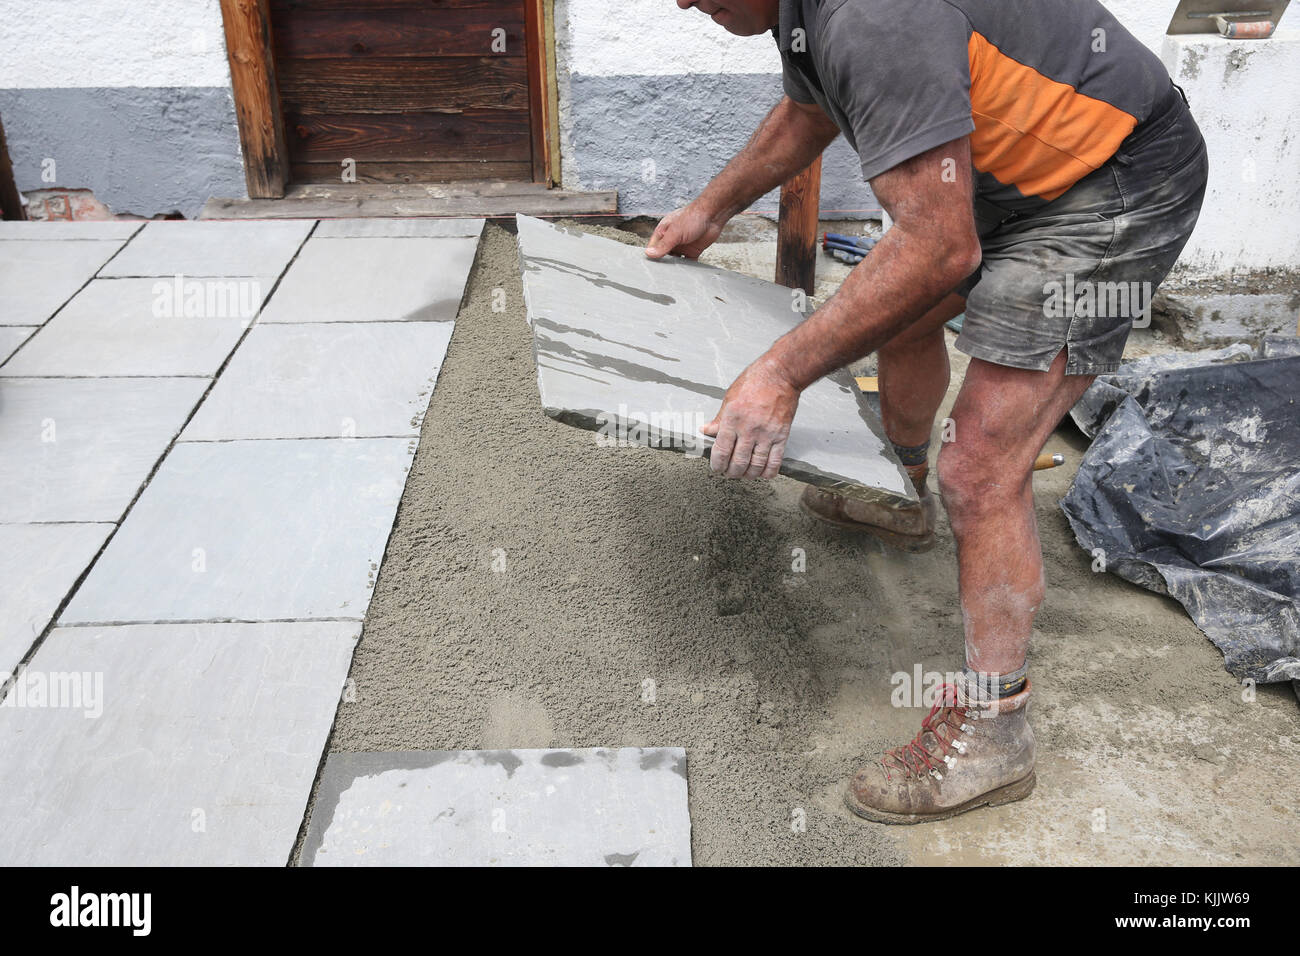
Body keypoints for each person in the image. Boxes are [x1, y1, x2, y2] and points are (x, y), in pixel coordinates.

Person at [646, 0, 1208, 823]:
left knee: (980, 464)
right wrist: (713, 206)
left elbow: (941, 247)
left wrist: (779, 373)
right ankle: (902, 495)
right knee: (898, 311)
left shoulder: (874, 17)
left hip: (1115, 181)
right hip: (1016, 177)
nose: (682, 1)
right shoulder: (807, 14)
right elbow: (809, 110)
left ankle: (995, 729)